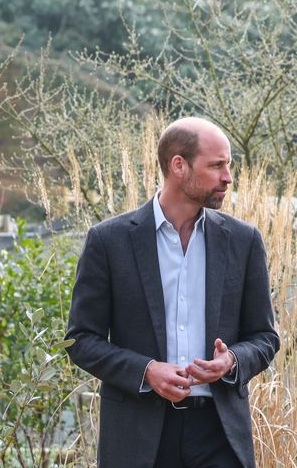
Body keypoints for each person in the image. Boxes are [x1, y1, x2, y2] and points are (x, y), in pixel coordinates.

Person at [65, 117, 279, 468]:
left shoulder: (244, 241)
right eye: (216, 165)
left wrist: (232, 361)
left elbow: (265, 337)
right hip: (138, 437)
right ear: (178, 165)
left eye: (229, 166)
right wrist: (146, 370)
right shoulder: (108, 241)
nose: (227, 177)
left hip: (220, 435)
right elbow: (81, 340)